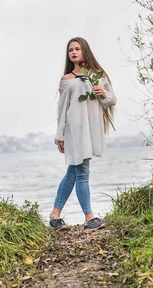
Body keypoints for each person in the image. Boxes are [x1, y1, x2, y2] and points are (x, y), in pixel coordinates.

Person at [49, 37, 117, 231]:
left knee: (73, 172)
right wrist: (59, 136)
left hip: (90, 128)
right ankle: (89, 216)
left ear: (84, 51)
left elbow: (112, 100)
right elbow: (62, 109)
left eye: (77, 49)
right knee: (82, 172)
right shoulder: (67, 80)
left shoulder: (97, 75)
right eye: (70, 50)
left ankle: (55, 214)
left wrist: (103, 94)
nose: (73, 52)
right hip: (74, 130)